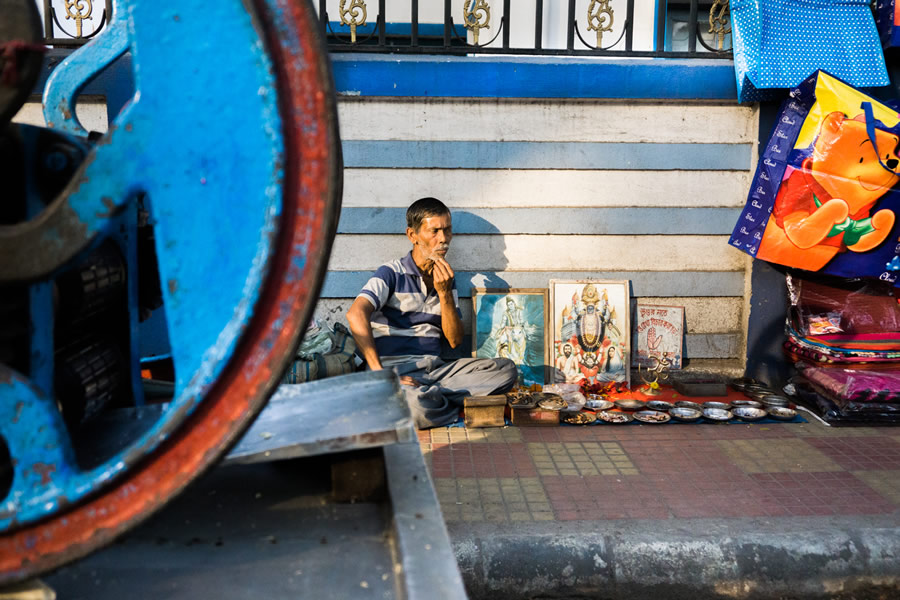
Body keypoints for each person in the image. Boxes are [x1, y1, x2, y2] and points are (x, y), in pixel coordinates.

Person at [346, 197, 517, 428]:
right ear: (412, 235)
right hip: (393, 371)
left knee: (505, 370)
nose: (443, 239)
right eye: (434, 231)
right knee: (416, 409)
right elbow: (355, 314)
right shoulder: (391, 273)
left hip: (436, 372)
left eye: (447, 230)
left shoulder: (446, 278)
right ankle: (422, 399)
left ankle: (428, 397)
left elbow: (455, 341)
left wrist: (445, 293)